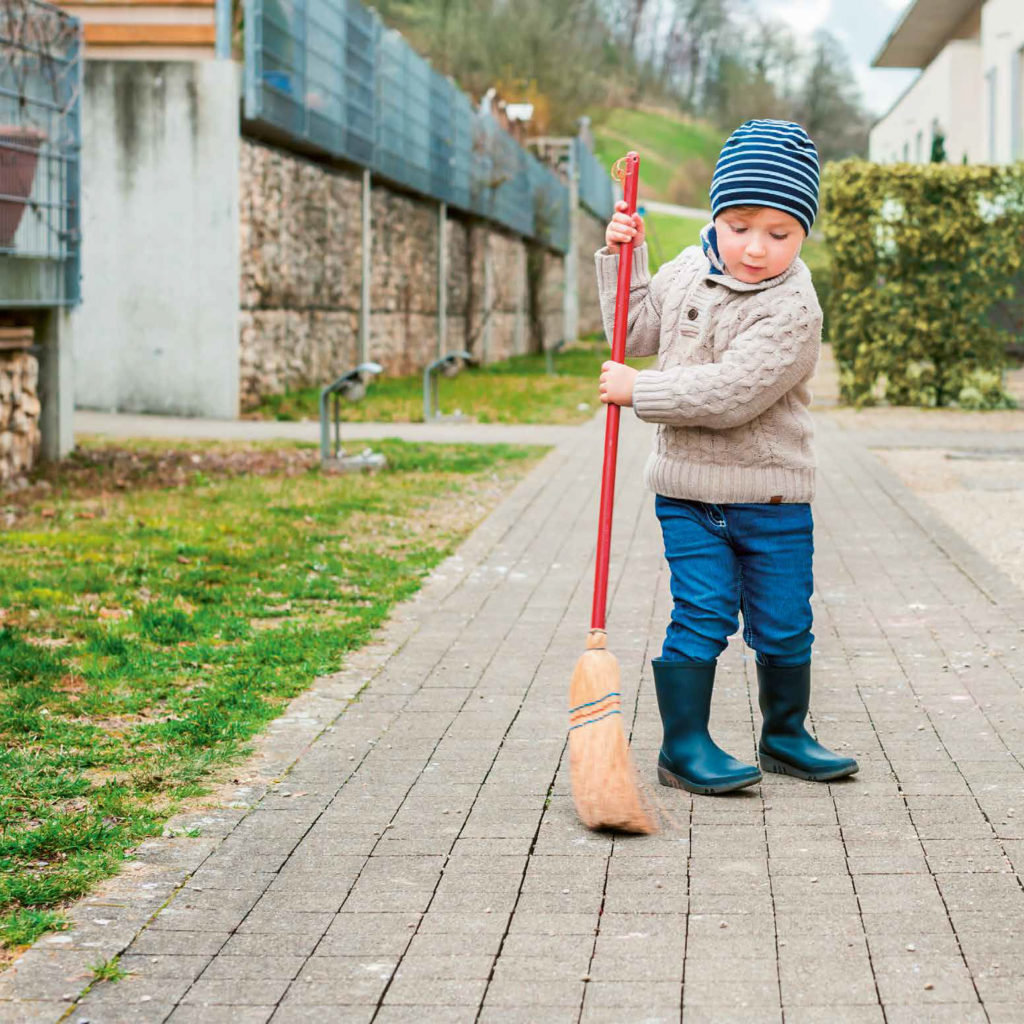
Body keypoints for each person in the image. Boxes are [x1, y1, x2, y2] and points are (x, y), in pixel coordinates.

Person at [594, 119, 858, 796]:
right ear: (715, 216)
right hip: (689, 495)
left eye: (781, 233)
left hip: (772, 498)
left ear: (804, 235)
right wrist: (625, 258)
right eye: (740, 226)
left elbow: (732, 394)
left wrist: (638, 391)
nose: (757, 248)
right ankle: (683, 746)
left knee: (784, 621)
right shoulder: (687, 269)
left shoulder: (794, 308)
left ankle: (785, 735)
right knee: (702, 612)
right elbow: (632, 330)